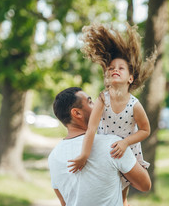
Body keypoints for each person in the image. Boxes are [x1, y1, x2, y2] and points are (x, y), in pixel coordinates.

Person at [68, 23, 156, 205]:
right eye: (111, 68)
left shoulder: (134, 105)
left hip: (128, 149)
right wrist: (84, 155)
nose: (115, 69)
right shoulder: (102, 99)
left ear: (130, 78)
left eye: (121, 68)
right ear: (107, 76)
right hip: (106, 149)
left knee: (123, 193)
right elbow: (91, 129)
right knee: (110, 187)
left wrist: (125, 142)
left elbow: (145, 130)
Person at [48, 87, 151, 206]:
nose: (99, 105)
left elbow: (64, 203)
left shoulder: (53, 157)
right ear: (77, 113)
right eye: (90, 102)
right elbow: (145, 185)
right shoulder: (113, 145)